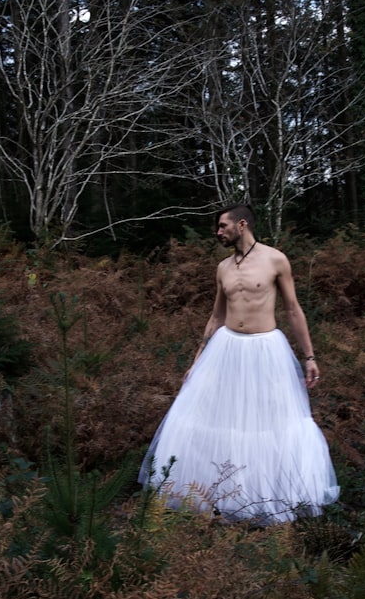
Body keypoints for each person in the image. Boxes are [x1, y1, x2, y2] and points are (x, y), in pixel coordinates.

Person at [139, 203, 339, 523]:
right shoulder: (223, 268)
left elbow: (293, 310)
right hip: (226, 349)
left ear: (241, 225)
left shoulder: (275, 260)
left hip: (266, 350)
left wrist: (310, 356)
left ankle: (269, 497)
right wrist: (196, 361)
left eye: (222, 226)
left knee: (270, 423)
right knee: (220, 421)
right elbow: (216, 316)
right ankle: (219, 496)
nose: (218, 232)